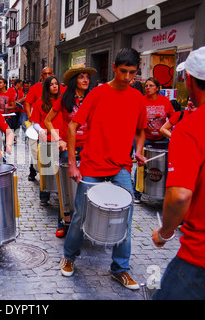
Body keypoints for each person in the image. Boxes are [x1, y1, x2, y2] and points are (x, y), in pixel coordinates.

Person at [61, 48, 147, 291]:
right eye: (123, 72)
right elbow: (72, 126)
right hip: (92, 164)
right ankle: (69, 255)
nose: (128, 77)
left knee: (125, 220)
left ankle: (120, 269)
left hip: (121, 166)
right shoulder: (97, 94)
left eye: (132, 72)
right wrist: (73, 164)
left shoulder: (137, 98)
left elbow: (140, 130)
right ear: (114, 68)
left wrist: (138, 151)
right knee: (81, 216)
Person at [151, 46, 205, 300]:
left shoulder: (191, 127)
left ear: (189, 80)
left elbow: (180, 196)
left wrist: (164, 233)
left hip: (199, 259)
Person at [44, 64, 96, 238]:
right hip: (69, 148)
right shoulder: (64, 98)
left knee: (89, 186)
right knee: (66, 187)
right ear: (74, 80)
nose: (86, 80)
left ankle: (88, 223)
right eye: (81, 77)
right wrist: (58, 139)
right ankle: (63, 222)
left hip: (90, 147)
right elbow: (48, 121)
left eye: (87, 77)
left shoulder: (93, 98)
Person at [133, 77, 175, 203]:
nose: (148, 88)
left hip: (162, 139)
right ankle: (138, 193)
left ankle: (165, 191)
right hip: (145, 138)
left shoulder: (165, 101)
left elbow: (173, 117)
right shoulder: (141, 101)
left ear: (157, 88)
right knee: (141, 166)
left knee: (166, 164)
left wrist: (170, 131)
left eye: (151, 85)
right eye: (146, 86)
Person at [31, 76, 63, 206]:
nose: (55, 86)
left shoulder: (63, 101)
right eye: (52, 84)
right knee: (46, 169)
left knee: (60, 169)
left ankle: (60, 193)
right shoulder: (40, 102)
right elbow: (35, 122)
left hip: (61, 139)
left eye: (56, 84)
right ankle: (44, 195)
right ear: (47, 87)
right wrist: (41, 131)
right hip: (47, 139)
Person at [25, 68, 55, 182]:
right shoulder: (35, 88)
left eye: (49, 73)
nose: (47, 75)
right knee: (35, 148)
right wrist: (30, 116)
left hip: (52, 126)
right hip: (38, 124)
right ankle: (32, 171)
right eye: (45, 74)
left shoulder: (57, 87)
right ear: (41, 75)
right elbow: (27, 102)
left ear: (53, 74)